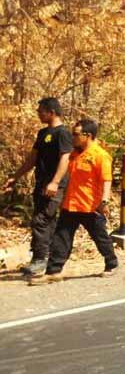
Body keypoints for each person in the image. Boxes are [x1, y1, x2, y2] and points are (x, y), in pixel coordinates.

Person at [33, 119, 118, 284]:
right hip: (71, 204)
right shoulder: (74, 153)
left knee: (100, 237)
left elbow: (106, 180)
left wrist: (104, 201)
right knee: (61, 238)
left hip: (90, 206)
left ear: (88, 136)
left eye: (76, 134)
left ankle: (111, 263)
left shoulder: (100, 156)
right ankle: (54, 271)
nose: (73, 137)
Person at [3, 97, 73, 277]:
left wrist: (55, 182)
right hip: (41, 183)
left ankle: (40, 260)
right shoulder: (43, 134)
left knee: (41, 220)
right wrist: (15, 177)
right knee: (45, 220)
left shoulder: (63, 133)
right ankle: (48, 257)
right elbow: (32, 159)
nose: (38, 114)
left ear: (52, 112)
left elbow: (65, 159)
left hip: (54, 185)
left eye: (41, 111)